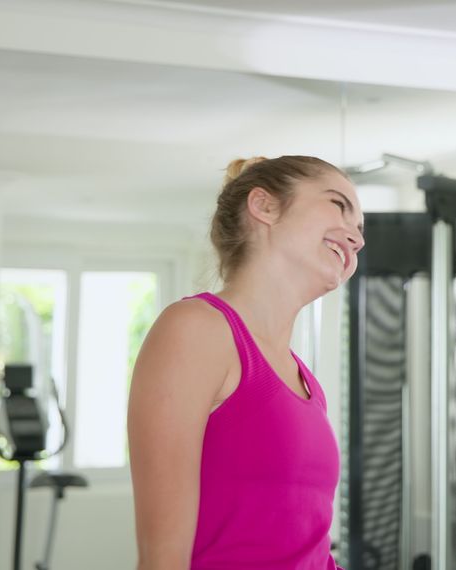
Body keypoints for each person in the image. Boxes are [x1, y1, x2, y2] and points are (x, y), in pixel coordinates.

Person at [128, 155, 365, 569]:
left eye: (360, 229)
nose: (357, 238)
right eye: (337, 205)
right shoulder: (196, 330)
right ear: (265, 206)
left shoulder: (304, 380)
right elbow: (162, 559)